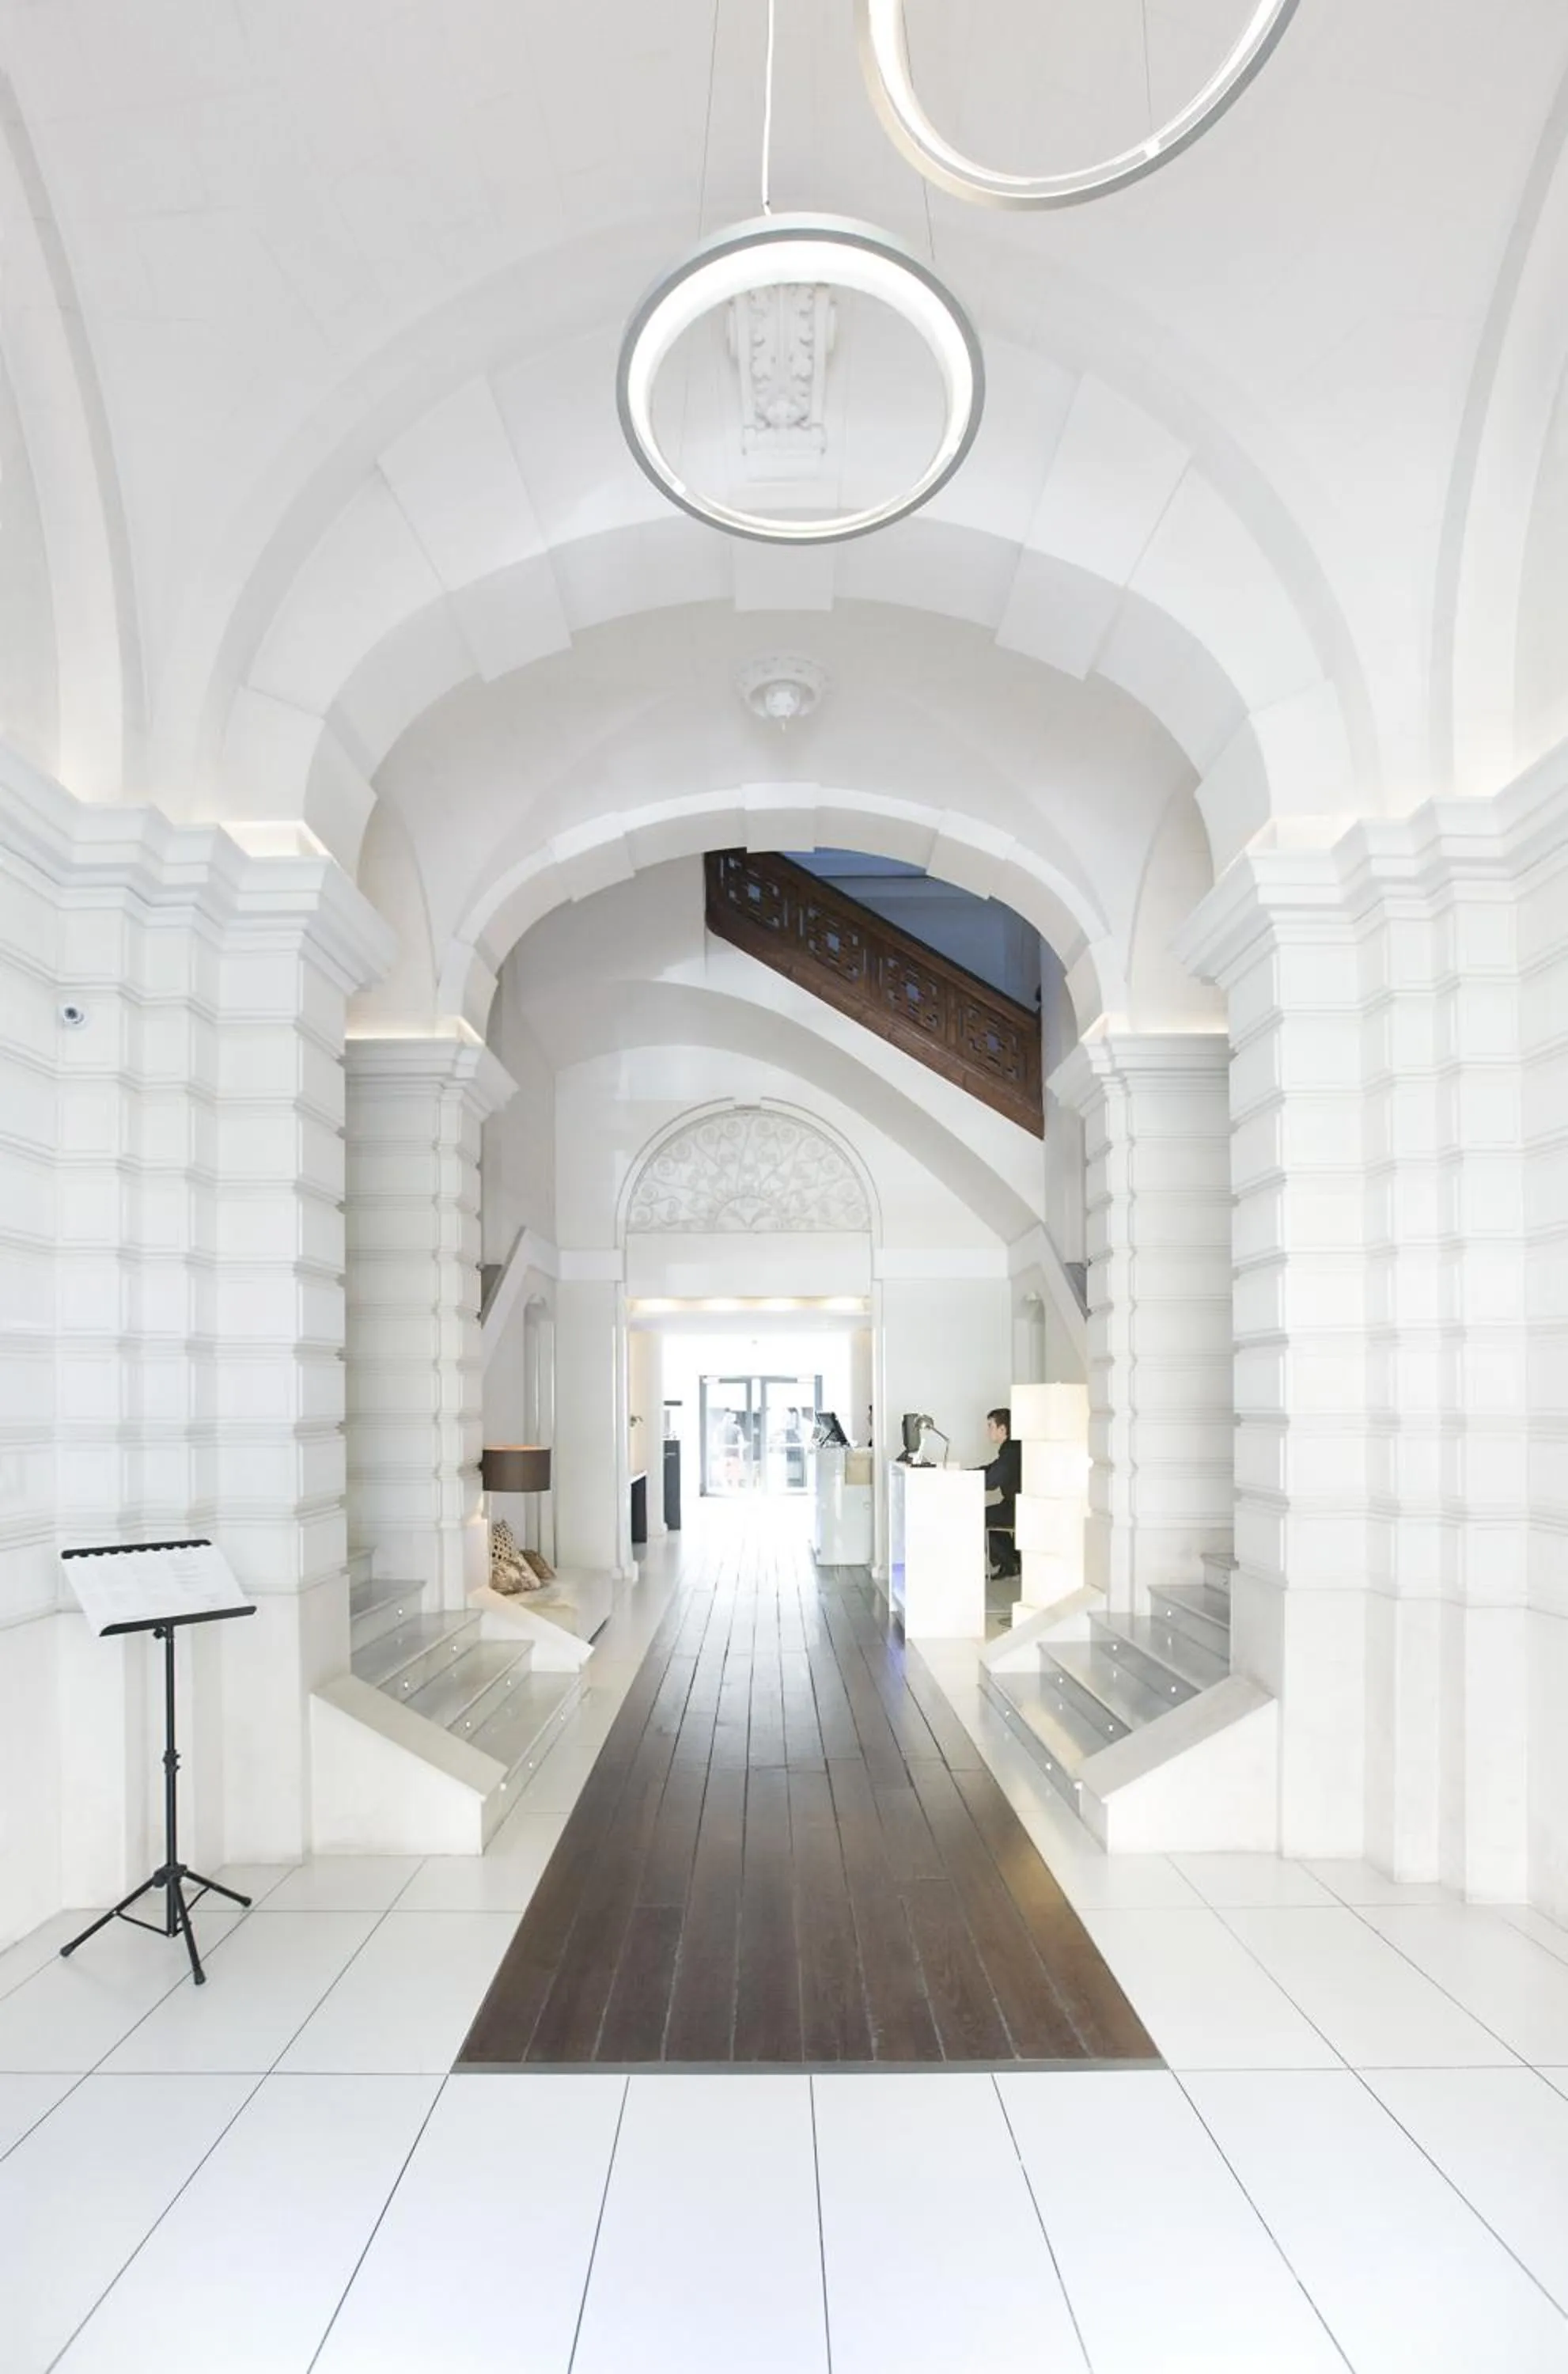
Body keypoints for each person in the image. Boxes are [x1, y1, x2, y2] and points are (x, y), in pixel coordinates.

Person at [981, 1406, 1021, 1580]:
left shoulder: (1011, 1451)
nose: (988, 1430)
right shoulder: (1011, 1448)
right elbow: (992, 1469)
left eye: (990, 1426)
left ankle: (1010, 1564)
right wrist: (967, 1474)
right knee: (990, 1515)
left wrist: (967, 1480)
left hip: (1019, 1507)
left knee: (981, 1516)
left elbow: (992, 1481)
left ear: (1002, 1429)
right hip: (1014, 1504)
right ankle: (1011, 1563)